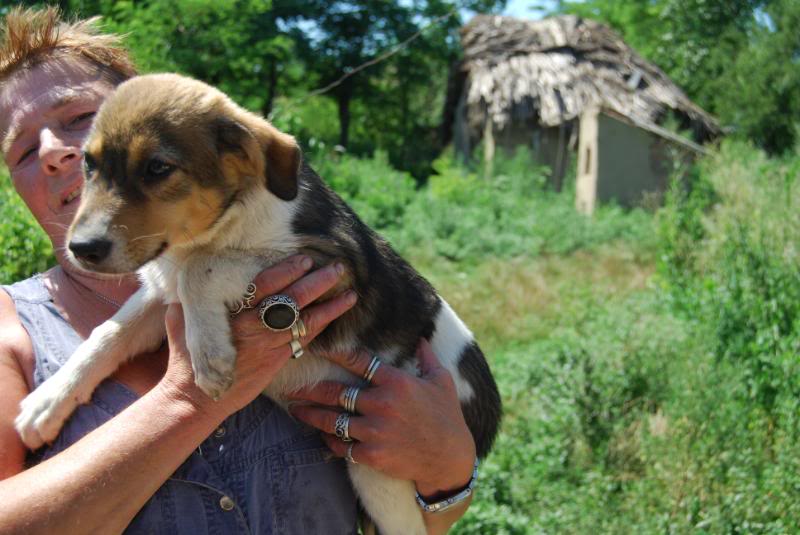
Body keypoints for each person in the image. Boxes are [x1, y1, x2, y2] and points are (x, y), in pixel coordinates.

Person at [0, 7, 477, 535]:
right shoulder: (15, 332)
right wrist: (182, 398)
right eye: (21, 150)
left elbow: (429, 513)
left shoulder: (233, 233)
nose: (54, 153)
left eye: (76, 119)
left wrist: (449, 468)